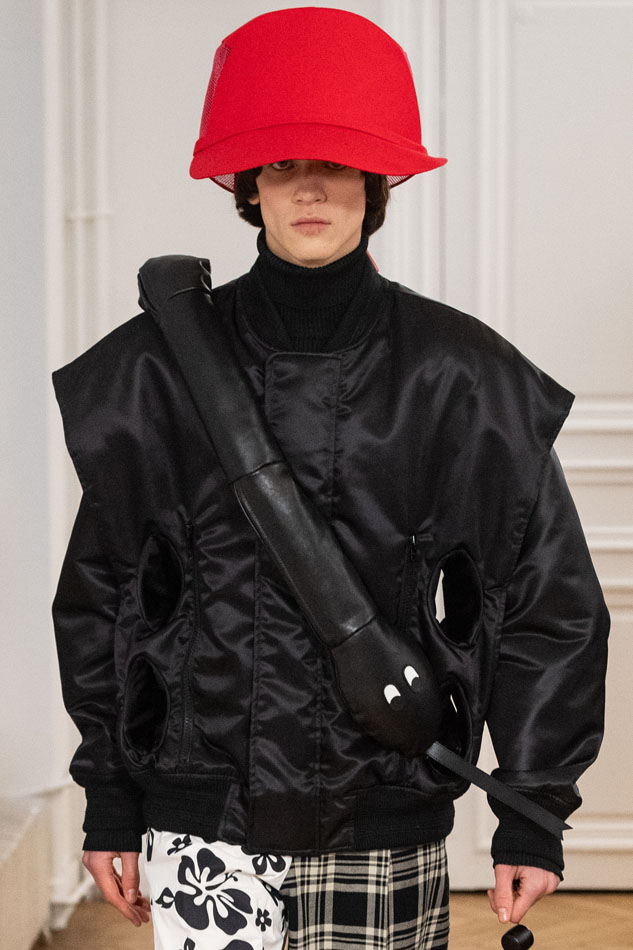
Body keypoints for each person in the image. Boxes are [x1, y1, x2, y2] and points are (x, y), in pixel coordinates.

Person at [52, 8, 609, 950]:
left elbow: (547, 602)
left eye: (337, 163)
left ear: (374, 180)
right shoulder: (153, 372)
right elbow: (103, 593)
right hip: (203, 820)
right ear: (247, 185)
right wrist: (108, 795)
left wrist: (531, 808)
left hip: (382, 810)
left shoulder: (462, 379)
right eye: (279, 164)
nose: (308, 187)